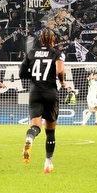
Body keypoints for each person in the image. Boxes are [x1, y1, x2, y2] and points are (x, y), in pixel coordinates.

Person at [19, 28, 66, 174]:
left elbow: (21, 73)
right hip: (50, 92)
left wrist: (34, 77)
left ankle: (29, 138)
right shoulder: (57, 53)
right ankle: (47, 164)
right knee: (50, 131)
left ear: (40, 40)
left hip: (35, 93)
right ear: (53, 40)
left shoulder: (31, 53)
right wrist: (62, 82)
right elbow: (59, 71)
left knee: (35, 126)